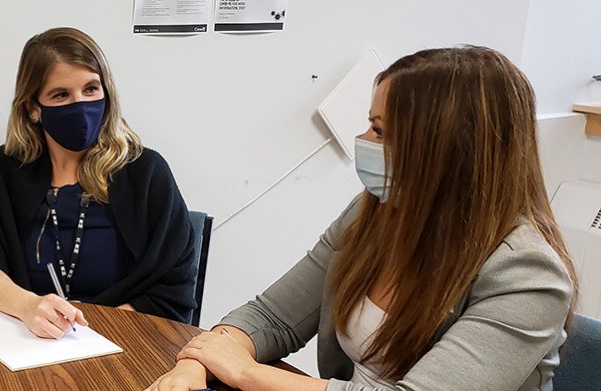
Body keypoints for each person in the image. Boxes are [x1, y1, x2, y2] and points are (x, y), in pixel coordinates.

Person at [147, 46, 577, 391]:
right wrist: (194, 369)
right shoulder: (369, 215)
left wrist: (244, 373)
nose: (362, 141)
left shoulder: (529, 276)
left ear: (449, 152)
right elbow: (271, 316)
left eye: (381, 131)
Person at [0, 27, 199, 339]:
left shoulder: (144, 171)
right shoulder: (2, 170)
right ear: (33, 107)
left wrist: (91, 334)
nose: (80, 106)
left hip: (125, 340)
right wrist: (27, 306)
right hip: (25, 339)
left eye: (91, 89)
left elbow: (175, 284)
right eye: (61, 94)